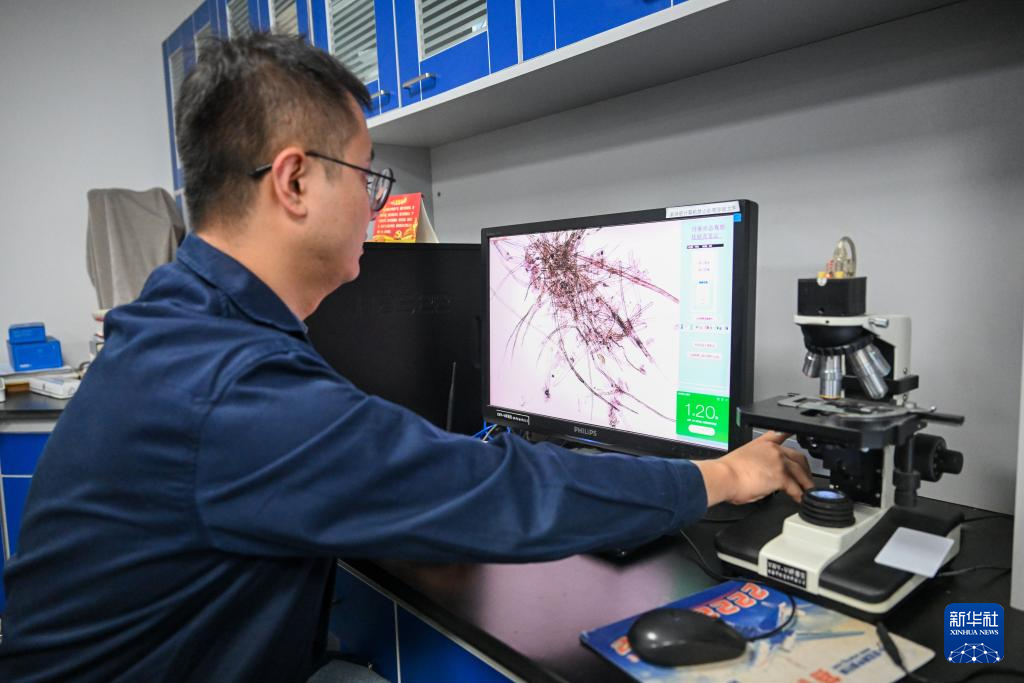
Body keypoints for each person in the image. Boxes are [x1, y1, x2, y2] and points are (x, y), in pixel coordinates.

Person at [0, 33, 813, 683]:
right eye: (367, 175)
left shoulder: (180, 320)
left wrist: (412, 490)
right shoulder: (228, 383)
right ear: (294, 182)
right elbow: (497, 493)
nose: (373, 204)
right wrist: (718, 476)